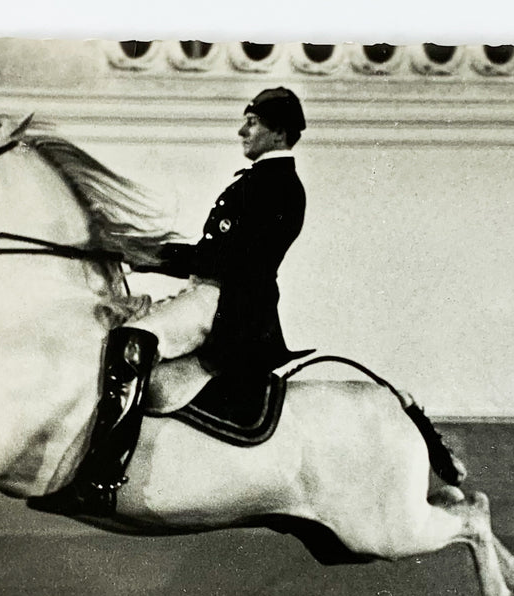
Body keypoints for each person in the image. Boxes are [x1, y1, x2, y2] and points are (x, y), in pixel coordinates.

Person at [31, 87, 309, 517]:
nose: (242, 131)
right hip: (212, 293)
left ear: (278, 132)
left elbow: (230, 260)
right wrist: (138, 251)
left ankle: (101, 479)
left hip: (231, 304)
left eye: (252, 123)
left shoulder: (277, 186)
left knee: (130, 341)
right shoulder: (259, 181)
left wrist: (151, 255)